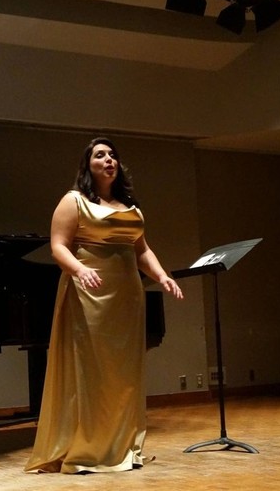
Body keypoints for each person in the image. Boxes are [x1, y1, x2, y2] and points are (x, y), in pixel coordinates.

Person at [25, 137, 183, 474]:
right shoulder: (74, 201)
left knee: (123, 374)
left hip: (127, 296)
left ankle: (121, 446)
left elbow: (142, 250)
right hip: (89, 293)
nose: (108, 159)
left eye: (112, 155)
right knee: (91, 370)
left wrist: (162, 276)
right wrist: (79, 270)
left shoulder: (131, 208)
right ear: (88, 165)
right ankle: (85, 449)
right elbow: (58, 246)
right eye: (100, 155)